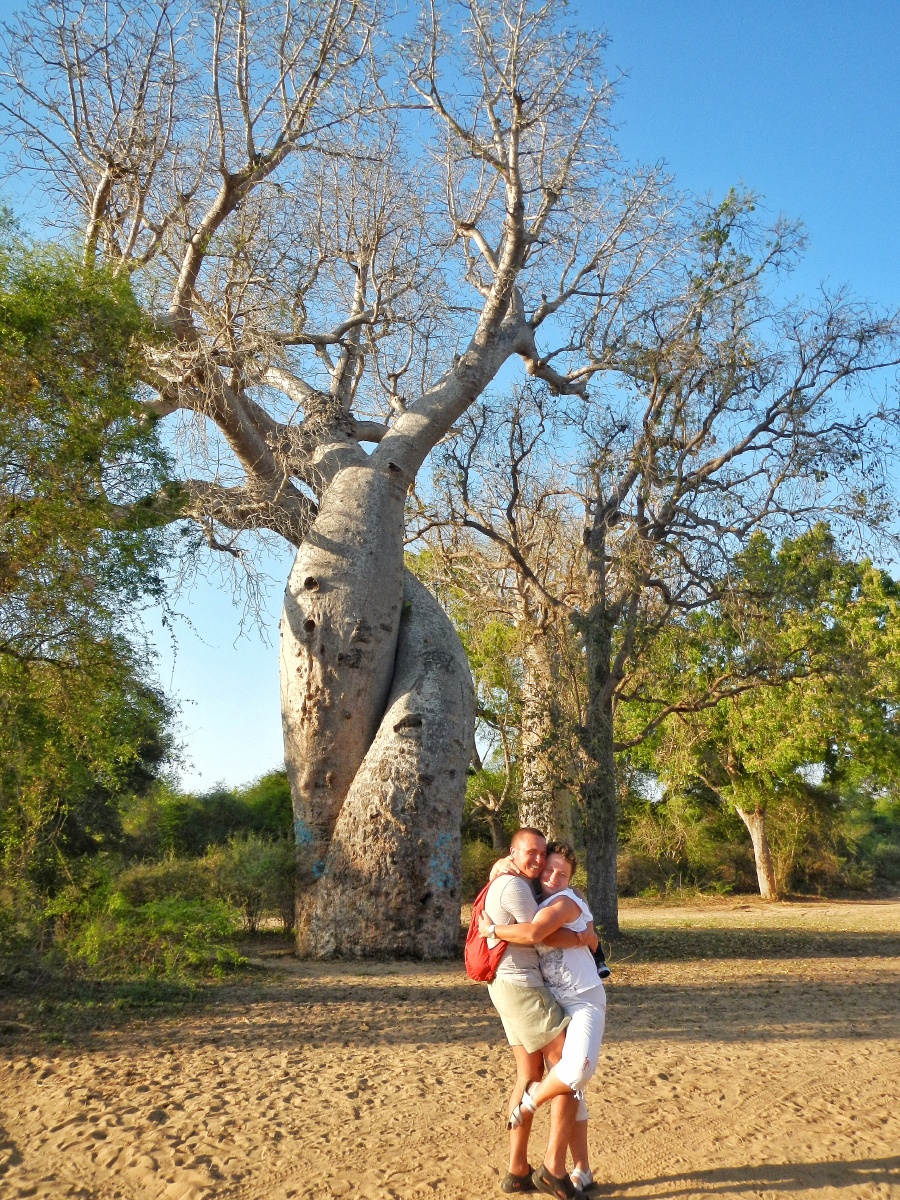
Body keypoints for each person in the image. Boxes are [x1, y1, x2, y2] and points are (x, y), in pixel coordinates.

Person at [481, 842, 607, 1197]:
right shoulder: (517, 885)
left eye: (557, 870)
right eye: (534, 858)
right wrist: (584, 937)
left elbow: (552, 924)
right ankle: (555, 1168)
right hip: (525, 989)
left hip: (514, 987)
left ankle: (521, 1170)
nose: (543, 868)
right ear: (513, 852)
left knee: (533, 1075)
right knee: (567, 1076)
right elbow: (537, 933)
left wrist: (586, 934)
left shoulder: (533, 887)